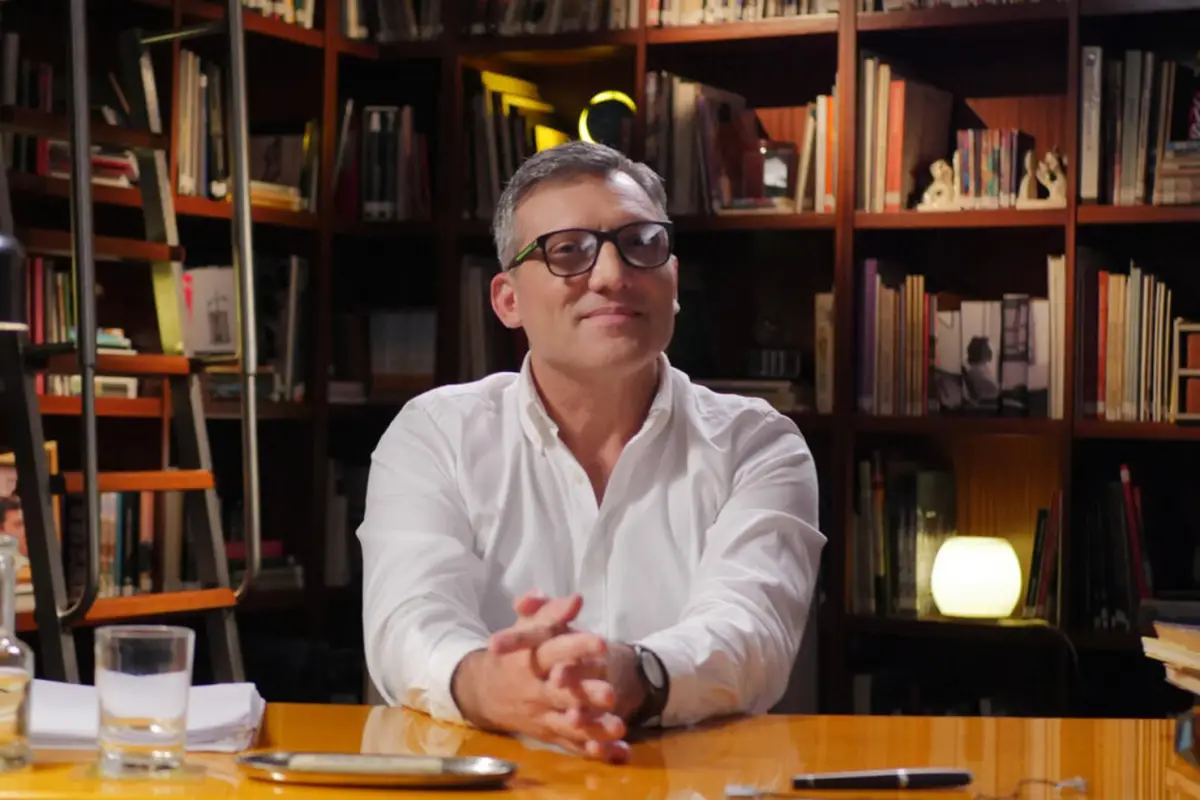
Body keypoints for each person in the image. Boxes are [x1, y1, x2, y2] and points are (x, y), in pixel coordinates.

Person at [358, 140, 824, 764]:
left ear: (673, 280)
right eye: (568, 251)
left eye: (641, 243)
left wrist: (632, 674)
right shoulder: (434, 434)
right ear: (508, 300)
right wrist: (494, 685)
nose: (610, 275)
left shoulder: (758, 444)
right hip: (495, 781)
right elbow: (408, 620)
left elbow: (752, 630)